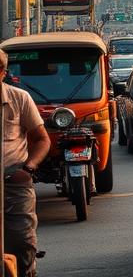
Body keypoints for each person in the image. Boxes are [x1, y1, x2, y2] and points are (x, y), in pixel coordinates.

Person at [2, 49, 52, 277]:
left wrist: (29, 167)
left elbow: (42, 139)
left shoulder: (19, 98)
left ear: (2, 72)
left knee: (22, 242)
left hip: (13, 181)